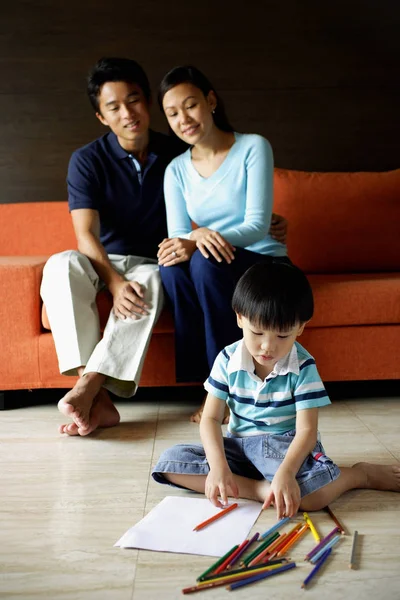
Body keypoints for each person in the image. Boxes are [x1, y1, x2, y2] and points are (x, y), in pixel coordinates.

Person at [40, 57, 288, 436]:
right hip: (105, 259)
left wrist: (263, 221)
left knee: (159, 274)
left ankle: (104, 390)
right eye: (114, 106)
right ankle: (93, 389)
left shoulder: (177, 149)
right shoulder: (90, 160)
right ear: (101, 117)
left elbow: (230, 206)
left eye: (134, 100)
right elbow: (87, 236)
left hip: (154, 260)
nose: (128, 113)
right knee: (60, 266)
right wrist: (113, 280)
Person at [152, 262, 400, 516]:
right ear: (239, 317)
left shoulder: (303, 367)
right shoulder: (227, 359)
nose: (267, 347)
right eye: (257, 332)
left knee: (313, 498)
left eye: (282, 336)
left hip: (284, 451)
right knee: (169, 462)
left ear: (300, 327)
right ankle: (261, 490)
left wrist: (286, 473)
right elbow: (211, 418)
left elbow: (307, 431)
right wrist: (218, 467)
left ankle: (359, 475)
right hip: (238, 448)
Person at [156, 65, 290, 423]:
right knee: (170, 268)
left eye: (190, 105)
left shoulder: (253, 147)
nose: (183, 119)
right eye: (172, 113)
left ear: (210, 101)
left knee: (203, 261)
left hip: (264, 261)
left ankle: (226, 393)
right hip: (215, 263)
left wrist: (199, 240)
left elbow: (258, 225)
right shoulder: (175, 170)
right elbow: (178, 236)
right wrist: (192, 239)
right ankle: (207, 383)